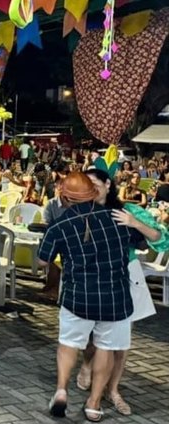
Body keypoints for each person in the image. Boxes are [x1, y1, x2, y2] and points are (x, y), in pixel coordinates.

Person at [38, 172, 161, 422]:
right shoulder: (118, 218)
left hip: (78, 295)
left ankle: (61, 390)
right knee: (107, 348)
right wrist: (136, 223)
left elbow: (43, 259)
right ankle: (94, 404)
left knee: (68, 344)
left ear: (66, 197)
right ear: (93, 193)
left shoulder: (60, 225)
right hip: (116, 296)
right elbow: (153, 240)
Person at [70, 168, 169, 417]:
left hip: (127, 275)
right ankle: (87, 364)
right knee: (93, 333)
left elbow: (161, 239)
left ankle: (113, 390)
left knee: (121, 342)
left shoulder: (128, 210)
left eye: (94, 183)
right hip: (94, 277)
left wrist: (134, 223)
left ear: (107, 183)